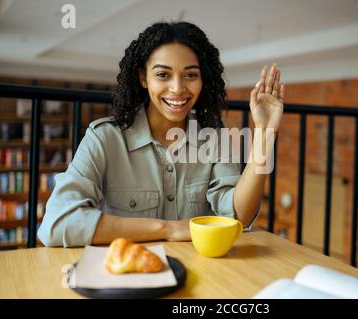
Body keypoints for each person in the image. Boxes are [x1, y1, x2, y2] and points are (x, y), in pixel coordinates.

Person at [37, 21, 284, 247]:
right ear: (143, 78)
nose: (178, 88)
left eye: (190, 75)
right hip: (128, 279)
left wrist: (264, 133)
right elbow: (58, 223)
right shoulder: (104, 139)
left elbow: (238, 216)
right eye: (163, 74)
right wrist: (168, 229)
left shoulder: (214, 136)